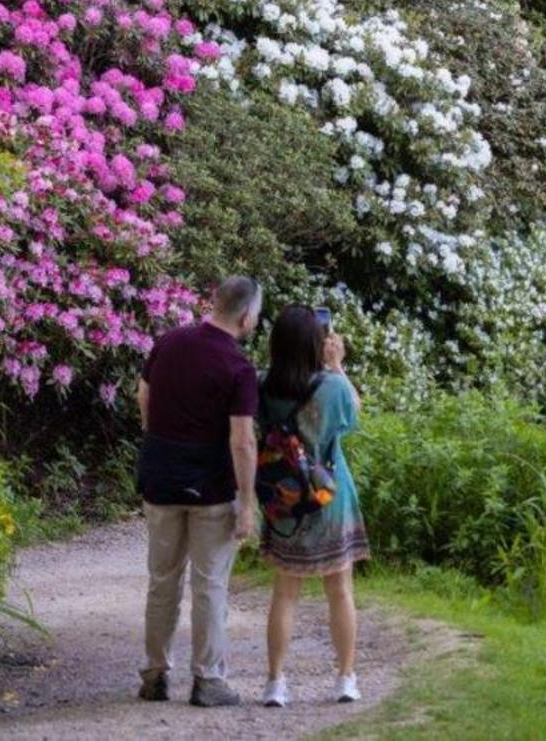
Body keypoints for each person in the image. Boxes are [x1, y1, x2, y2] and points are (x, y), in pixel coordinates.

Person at [134, 275, 262, 707]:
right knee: (210, 584)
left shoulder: (168, 342)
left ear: (214, 302)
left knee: (162, 580)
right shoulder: (239, 368)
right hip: (210, 485)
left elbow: (144, 395)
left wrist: (158, 435)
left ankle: (154, 673)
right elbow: (242, 440)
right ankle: (207, 679)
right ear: (246, 317)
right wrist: (248, 502)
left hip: (161, 476)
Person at [257, 306, 370, 707]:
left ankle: (275, 682)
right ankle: (344, 678)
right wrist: (338, 366)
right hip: (329, 498)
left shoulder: (262, 386)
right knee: (340, 590)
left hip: (283, 498)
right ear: (316, 345)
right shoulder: (332, 387)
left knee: (284, 593)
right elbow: (352, 417)